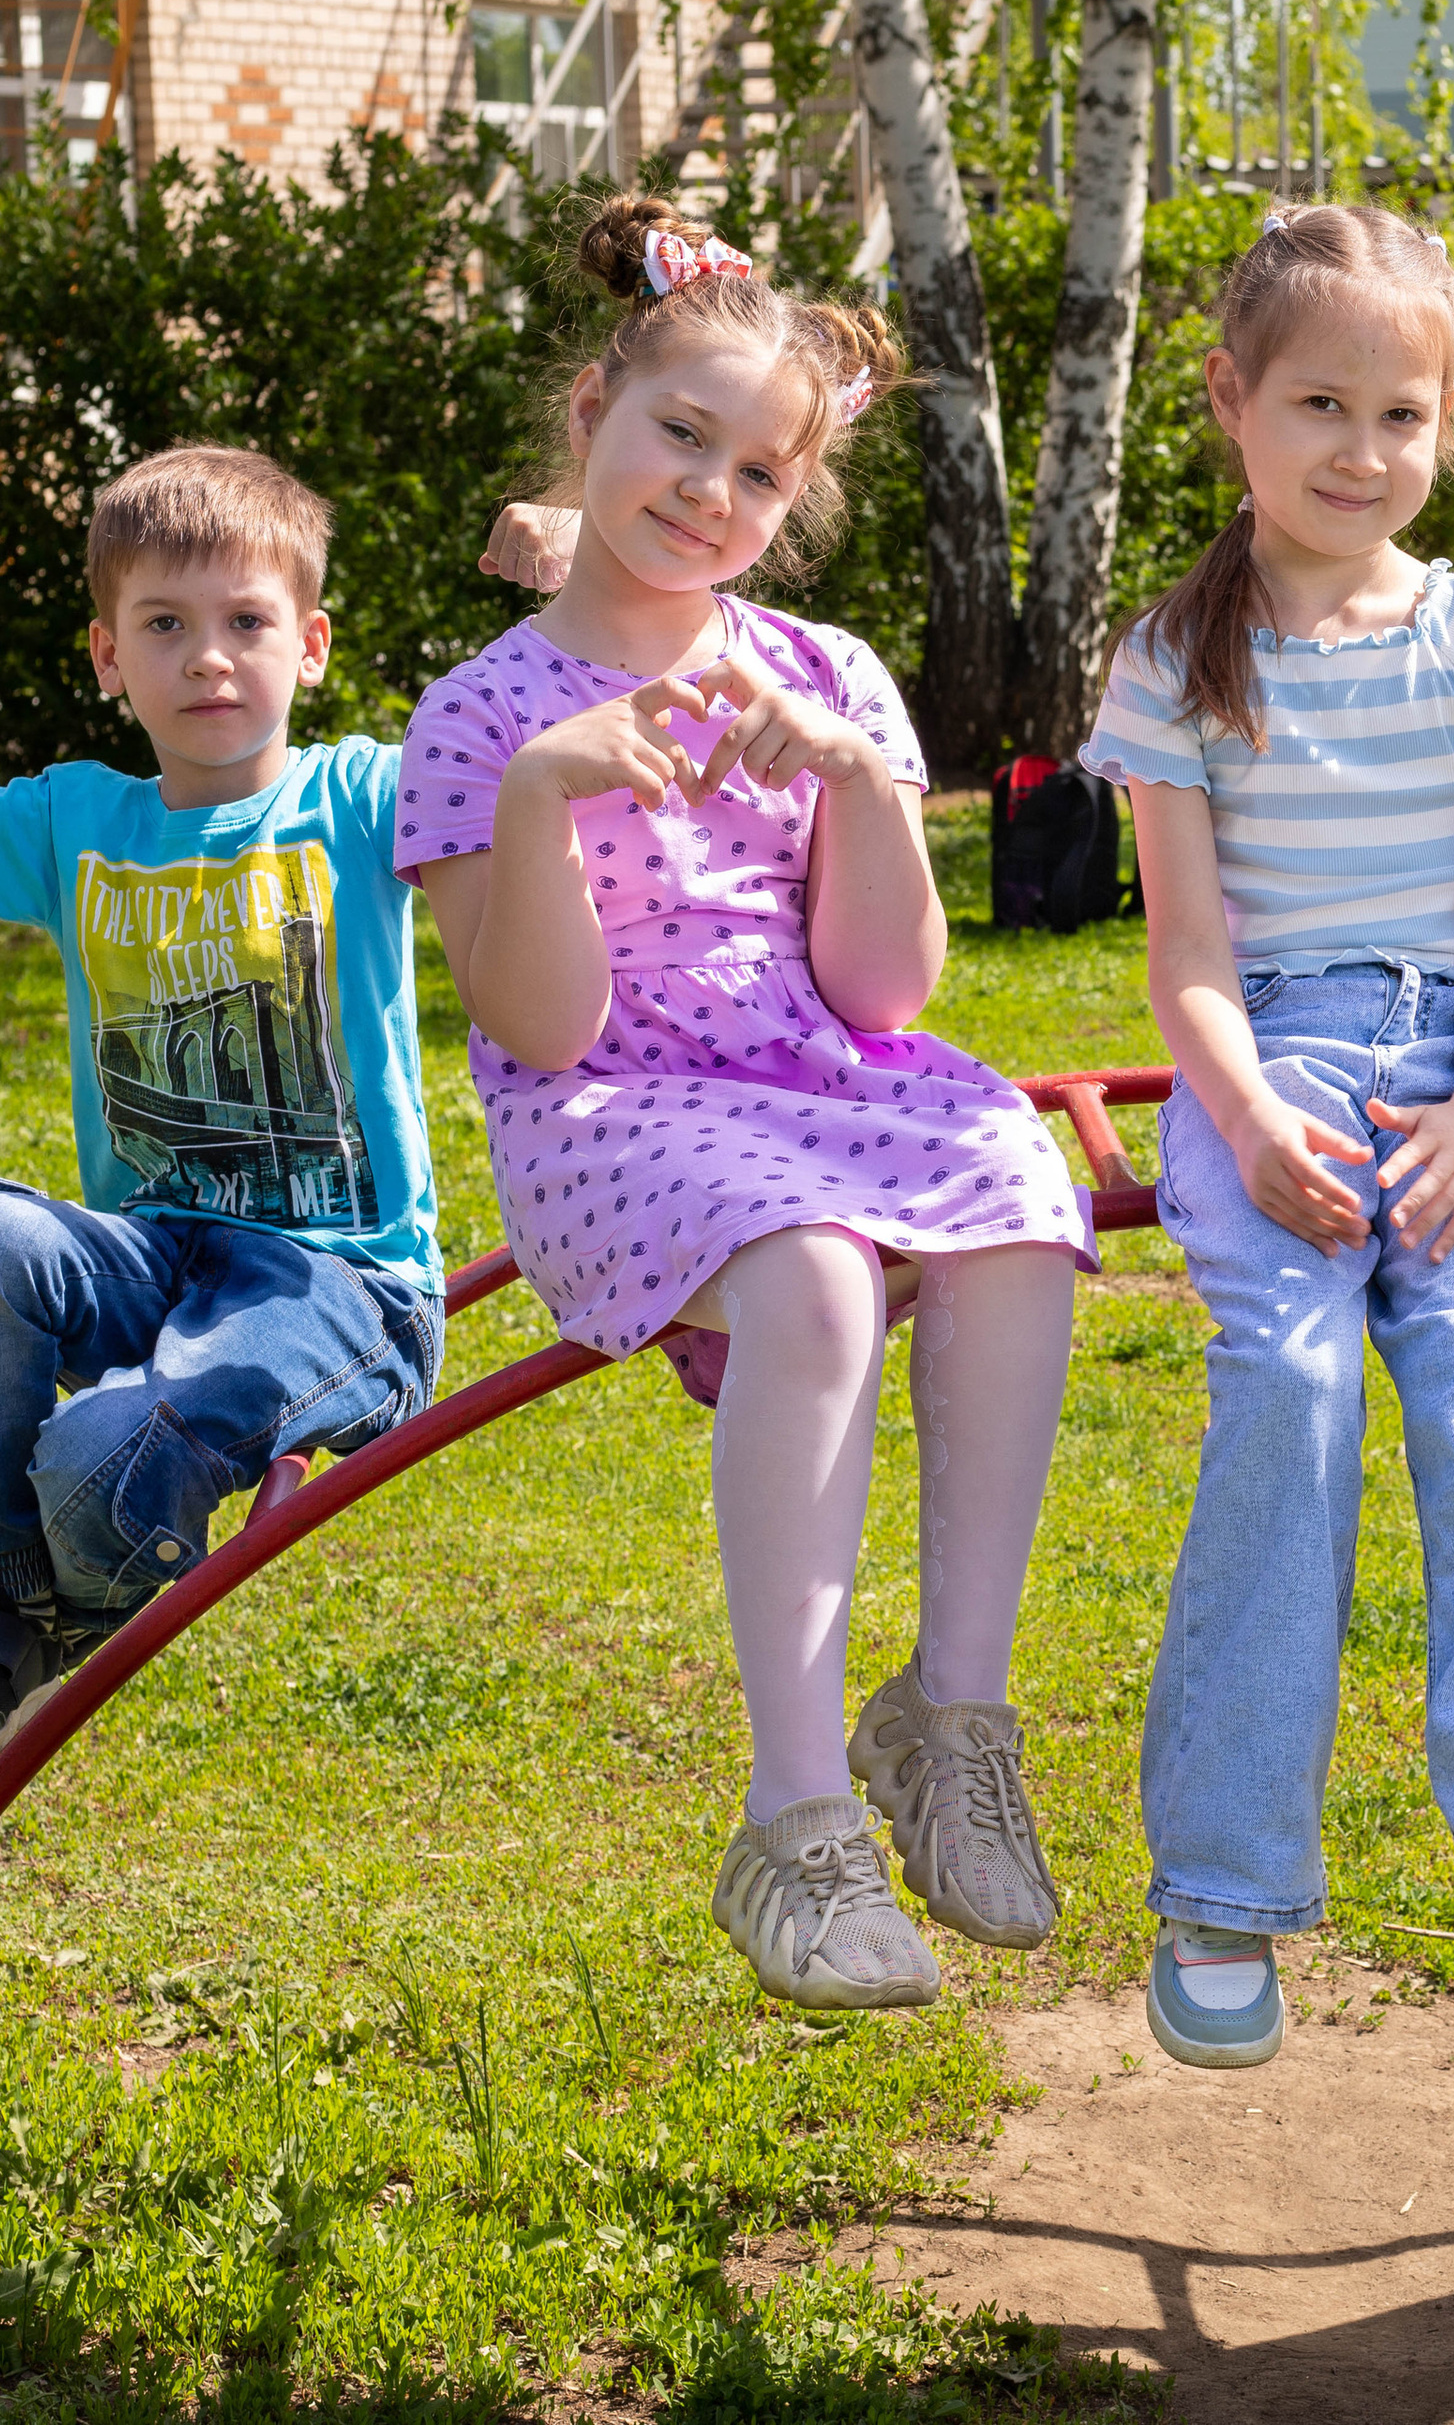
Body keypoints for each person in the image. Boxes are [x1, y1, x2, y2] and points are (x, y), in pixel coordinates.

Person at [403, 197, 1095, 2013]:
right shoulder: (483, 714)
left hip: (816, 1075)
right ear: (592, 420)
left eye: (761, 472)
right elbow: (543, 1027)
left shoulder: (828, 679)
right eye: (681, 437)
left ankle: (949, 1720)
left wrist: (865, 783)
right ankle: (793, 1824)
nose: (711, 492)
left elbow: (884, 996)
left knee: (1027, 1210)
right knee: (813, 1277)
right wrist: (547, 801)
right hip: (612, 1113)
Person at [1080, 202, 1454, 2073]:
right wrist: (1243, 1118)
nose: (1363, 452)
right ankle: (1227, 1885)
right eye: (1321, 404)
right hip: (1271, 1064)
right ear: (1229, 402)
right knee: (1291, 1382)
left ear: (1444, 422)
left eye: (1402, 415)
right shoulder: (1176, 661)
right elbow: (1183, 954)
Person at [0, 447, 446, 1744]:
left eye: (246, 622)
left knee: (98, 1468)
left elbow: (522, 741)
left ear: (308, 646)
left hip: (335, 1280)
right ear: (105, 657)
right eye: (165, 625)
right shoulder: (74, 821)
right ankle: (18, 1612)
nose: (208, 657)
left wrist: (588, 559)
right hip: (152, 1260)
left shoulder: (358, 797)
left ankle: (39, 1609)